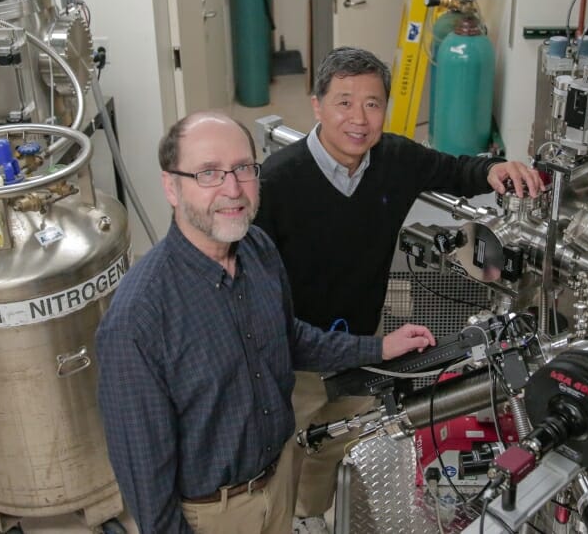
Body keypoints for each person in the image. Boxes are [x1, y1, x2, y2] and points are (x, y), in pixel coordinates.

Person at [95, 111, 437, 534]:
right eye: (208, 173)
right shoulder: (138, 319)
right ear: (171, 186)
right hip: (212, 516)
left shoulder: (256, 248)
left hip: (278, 486)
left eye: (244, 168)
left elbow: (288, 337)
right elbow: (144, 474)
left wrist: (378, 348)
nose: (233, 189)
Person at [253, 46, 543, 533]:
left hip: (363, 346)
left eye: (372, 103)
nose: (359, 119)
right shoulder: (278, 183)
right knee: (281, 450)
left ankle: (309, 517)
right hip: (292, 354)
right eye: (344, 102)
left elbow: (454, 170)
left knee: (335, 440)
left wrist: (492, 170)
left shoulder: (395, 159)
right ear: (316, 105)